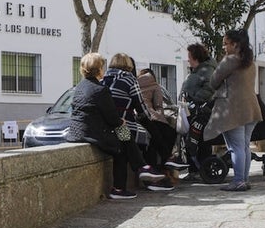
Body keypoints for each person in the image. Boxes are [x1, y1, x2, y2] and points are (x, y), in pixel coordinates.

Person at [66, 53, 167, 200]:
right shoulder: (100, 90)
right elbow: (113, 118)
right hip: (92, 133)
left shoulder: (80, 87)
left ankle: (138, 170)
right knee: (121, 140)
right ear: (99, 69)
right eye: (102, 66)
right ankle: (128, 179)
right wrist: (121, 122)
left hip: (76, 132)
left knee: (122, 136)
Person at [203, 29, 263, 192]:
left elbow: (213, 82)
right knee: (244, 146)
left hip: (233, 110)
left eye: (226, 43)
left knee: (236, 147)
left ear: (235, 44)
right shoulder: (251, 62)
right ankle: (244, 180)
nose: (224, 47)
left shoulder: (229, 60)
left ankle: (238, 181)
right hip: (251, 109)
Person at [180, 43, 218, 171]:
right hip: (192, 111)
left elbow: (209, 88)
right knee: (192, 140)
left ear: (196, 57)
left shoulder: (207, 70)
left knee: (201, 141)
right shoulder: (196, 71)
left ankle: (201, 168)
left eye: (189, 56)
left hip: (201, 112)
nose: (188, 59)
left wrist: (194, 100)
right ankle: (195, 168)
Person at [137, 68, 185, 169]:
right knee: (161, 134)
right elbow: (157, 106)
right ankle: (165, 162)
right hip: (138, 121)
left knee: (151, 139)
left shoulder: (130, 85)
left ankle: (157, 168)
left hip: (123, 122)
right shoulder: (154, 85)